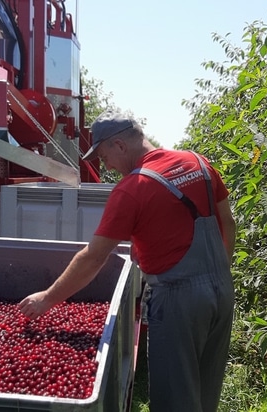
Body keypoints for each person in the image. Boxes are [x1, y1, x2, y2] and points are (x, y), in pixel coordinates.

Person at [19, 110, 237, 412]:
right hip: (222, 292)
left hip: (178, 302)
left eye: (104, 156)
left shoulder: (132, 189)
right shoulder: (198, 163)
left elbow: (93, 257)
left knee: (176, 400)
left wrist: (47, 298)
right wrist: (216, 277)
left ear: (120, 145)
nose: (105, 166)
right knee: (205, 389)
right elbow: (228, 222)